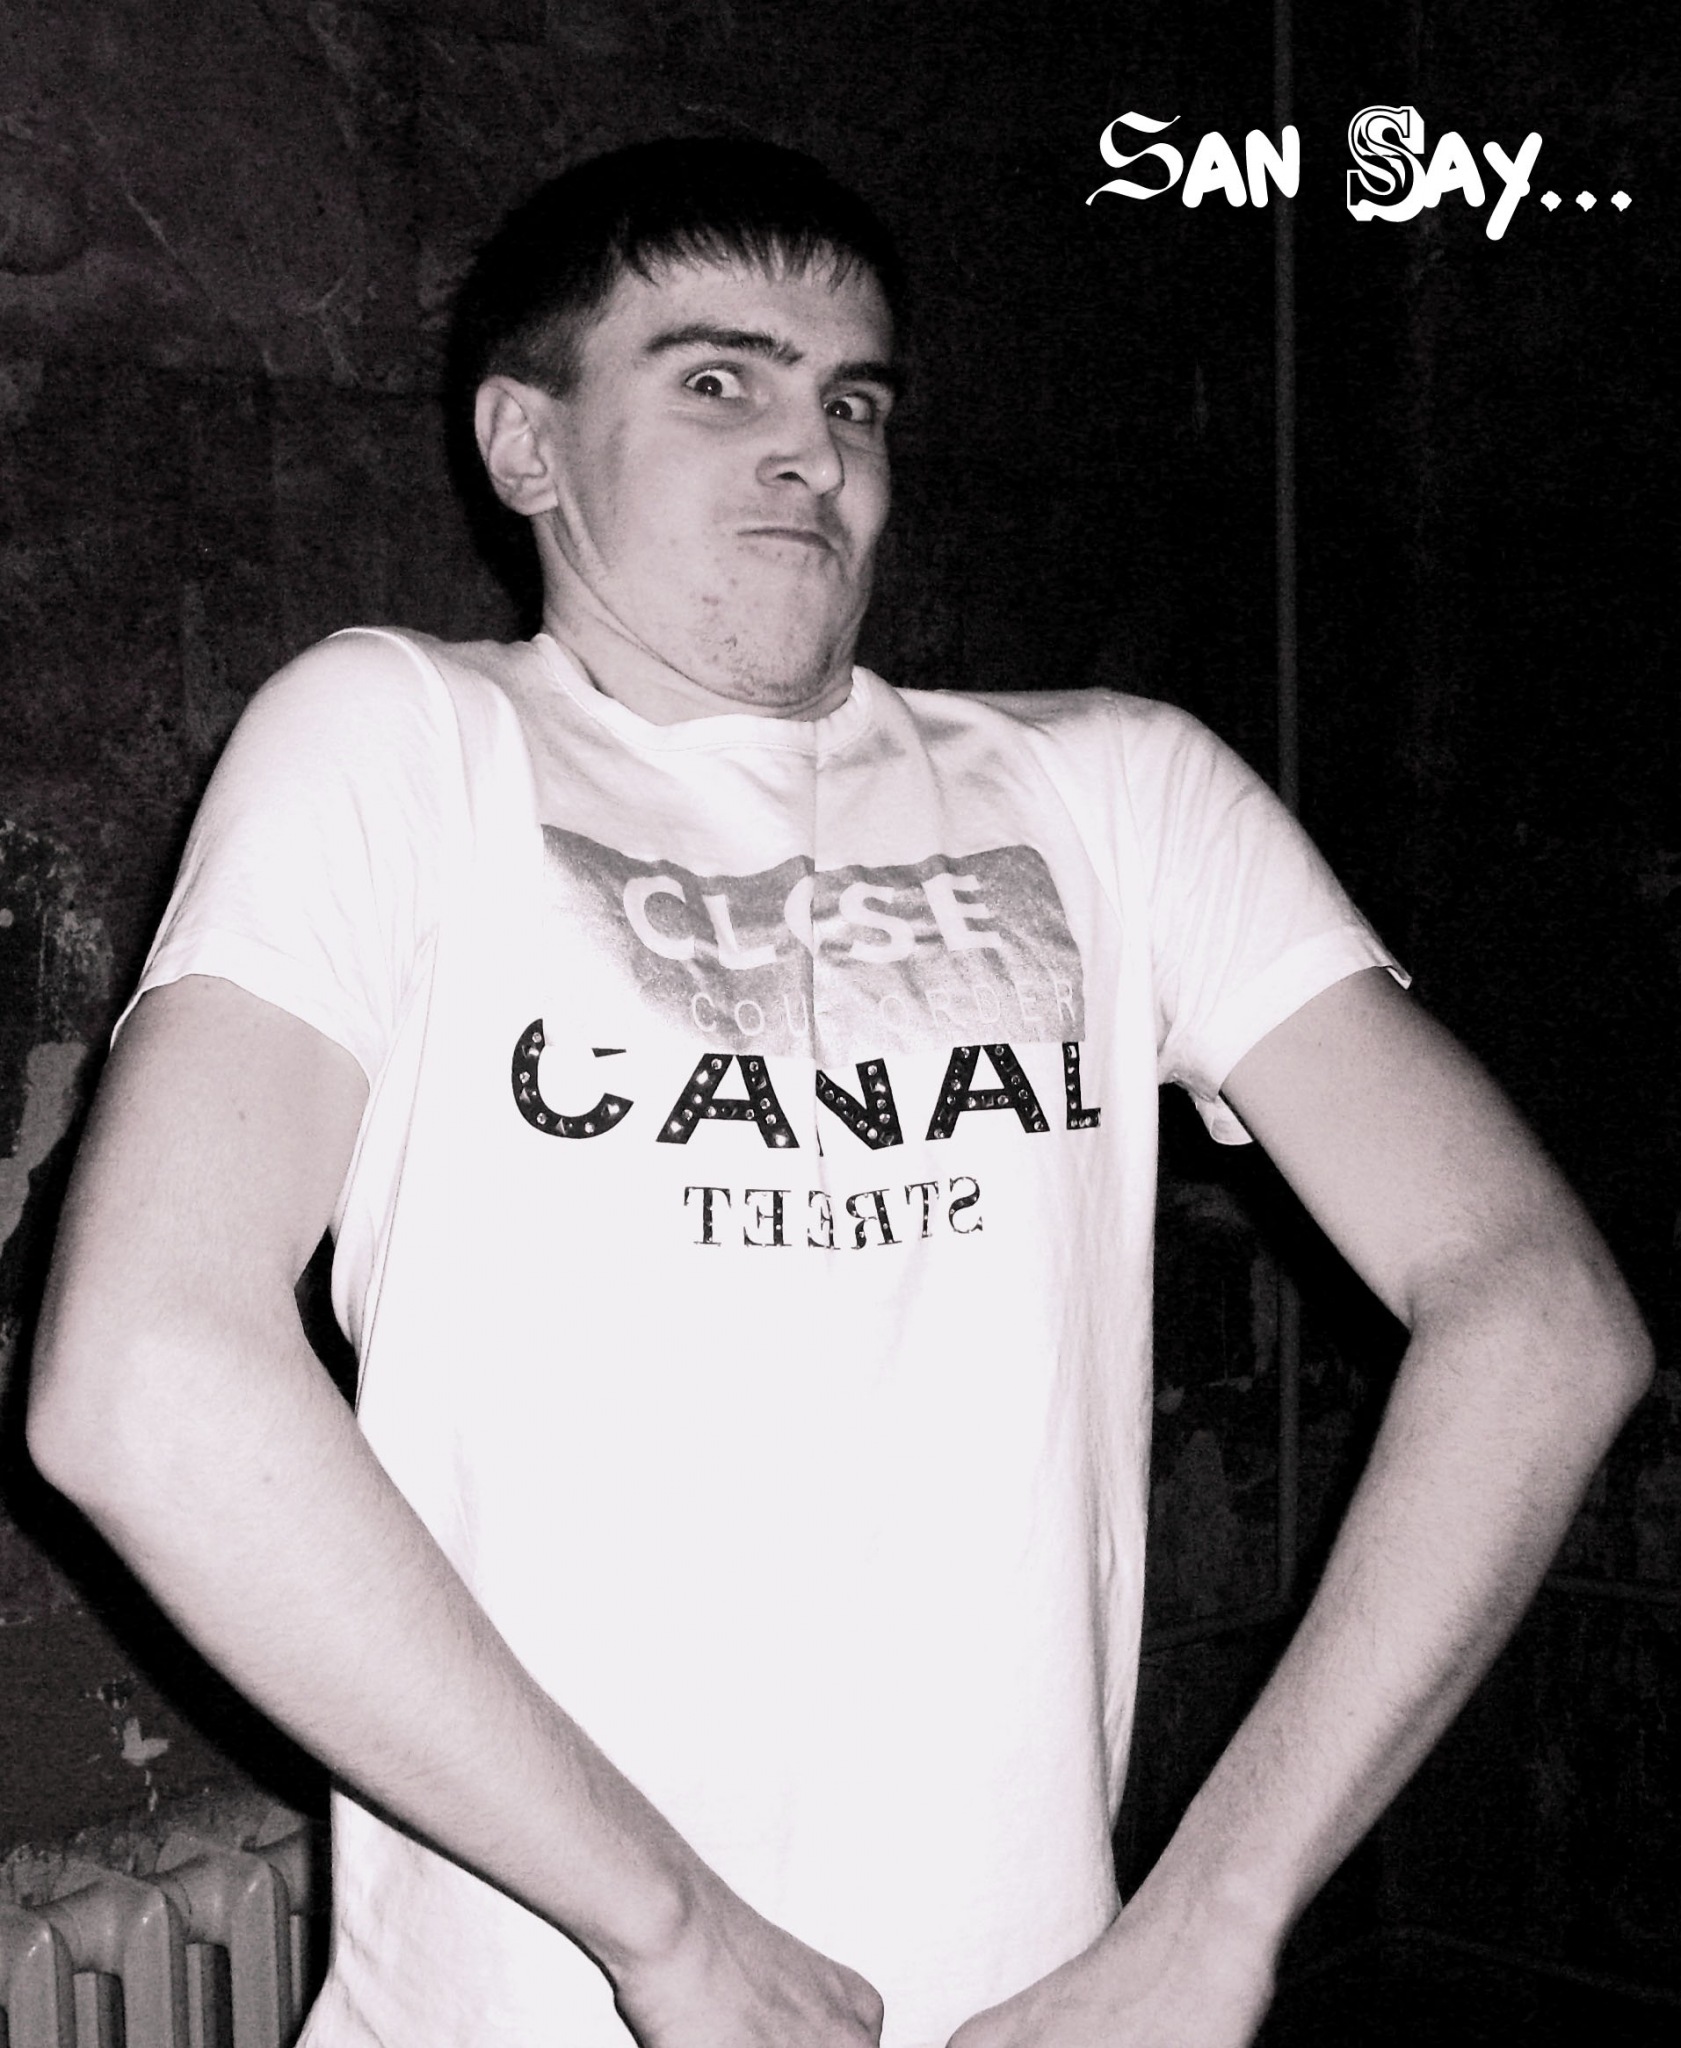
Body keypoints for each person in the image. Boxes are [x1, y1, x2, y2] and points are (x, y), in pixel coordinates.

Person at [27, 137, 1650, 2048]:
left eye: (850, 401)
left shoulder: (1117, 792)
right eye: (719, 382)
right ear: (528, 445)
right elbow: (142, 1375)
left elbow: (1538, 1313)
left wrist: (1219, 1914)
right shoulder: (408, 743)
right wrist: (667, 1928)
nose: (811, 449)